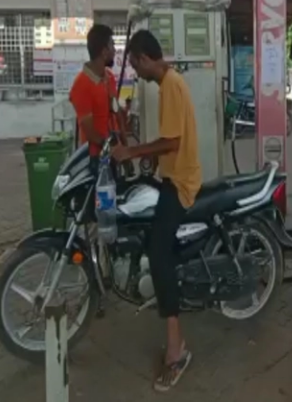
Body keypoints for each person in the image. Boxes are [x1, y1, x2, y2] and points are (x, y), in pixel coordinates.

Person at [110, 29, 202, 391]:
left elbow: (172, 142)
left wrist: (132, 153)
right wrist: (148, 164)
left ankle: (176, 350)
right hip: (171, 175)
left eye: (135, 64)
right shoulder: (167, 85)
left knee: (158, 253)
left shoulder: (171, 86)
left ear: (147, 58)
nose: (135, 71)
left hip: (182, 184)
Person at [69, 24, 128, 172]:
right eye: (112, 45)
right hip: (95, 158)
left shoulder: (109, 77)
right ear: (103, 51)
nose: (115, 50)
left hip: (114, 151)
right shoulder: (81, 85)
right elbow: (90, 132)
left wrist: (125, 150)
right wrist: (112, 146)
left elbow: (116, 112)